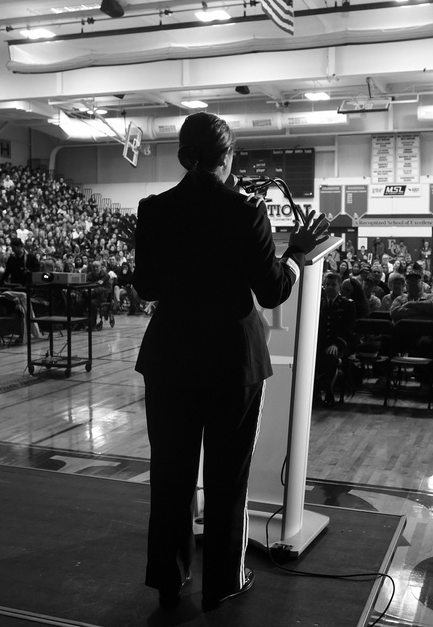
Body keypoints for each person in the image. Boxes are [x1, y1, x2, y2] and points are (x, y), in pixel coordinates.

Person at [132, 112, 329, 612]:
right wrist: (295, 252)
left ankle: (168, 579)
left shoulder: (153, 209)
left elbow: (148, 287)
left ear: (183, 153)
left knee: (171, 476)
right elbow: (272, 290)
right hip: (230, 363)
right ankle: (223, 582)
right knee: (227, 480)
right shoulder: (246, 213)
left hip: (171, 358)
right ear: (228, 157)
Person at [315, 271, 356, 406]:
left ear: (339, 287)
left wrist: (337, 344)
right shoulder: (317, 303)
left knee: (331, 359)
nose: (330, 287)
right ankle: (314, 392)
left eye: (333, 285)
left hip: (338, 344)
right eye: (327, 284)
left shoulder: (346, 304)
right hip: (320, 344)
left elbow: (348, 329)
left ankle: (329, 392)